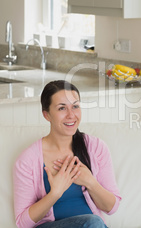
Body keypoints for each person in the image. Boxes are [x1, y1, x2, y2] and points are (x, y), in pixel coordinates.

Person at [13, 80, 121, 228]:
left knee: (94, 223)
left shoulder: (96, 147)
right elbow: (22, 223)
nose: (71, 115)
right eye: (62, 108)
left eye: (75, 106)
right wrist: (55, 193)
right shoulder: (27, 160)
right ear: (47, 115)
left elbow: (111, 207)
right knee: (94, 223)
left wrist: (90, 182)